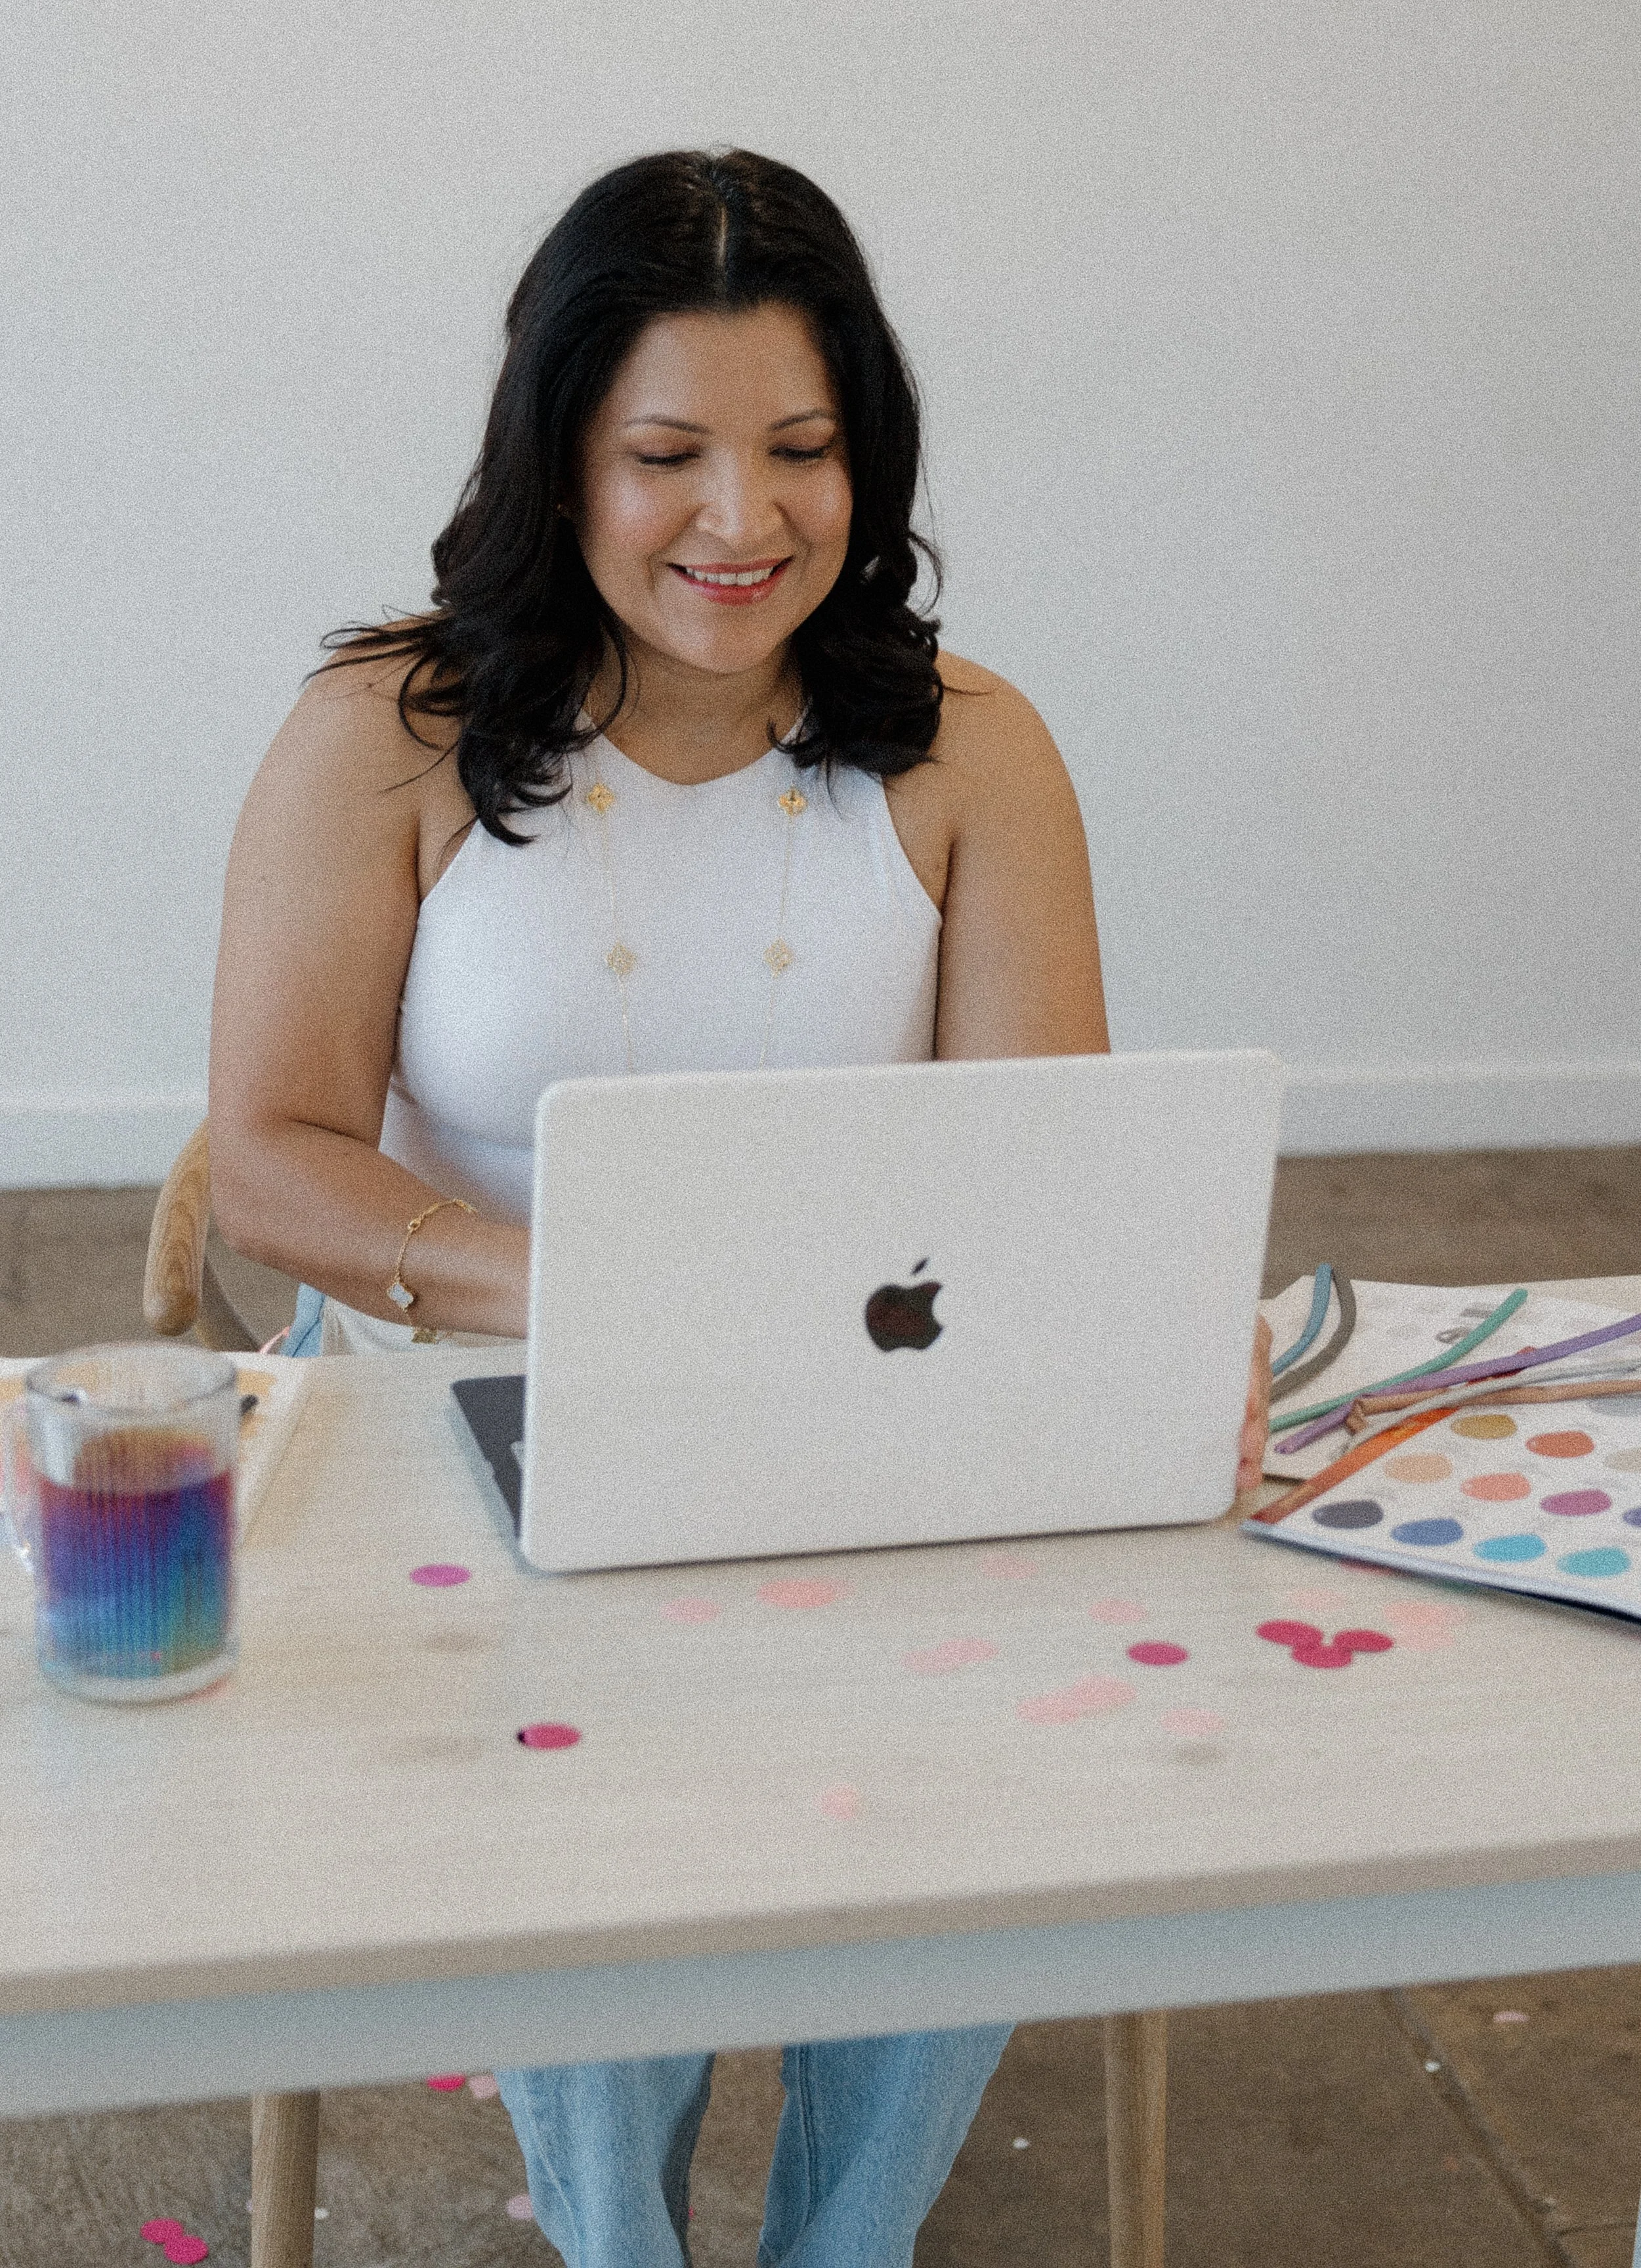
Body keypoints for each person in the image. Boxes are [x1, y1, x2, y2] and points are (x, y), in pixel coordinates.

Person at [211, 147, 1271, 2268]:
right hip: (471, 1393)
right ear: (555, 459)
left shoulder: (972, 749)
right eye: (665, 454)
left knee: (994, 1745)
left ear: (865, 459)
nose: (741, 519)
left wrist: (1145, 1336)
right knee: (579, 1774)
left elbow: (1036, 1177)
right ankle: (619, 2240)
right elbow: (264, 1159)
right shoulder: (384, 733)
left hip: (853, 1407)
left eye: (800, 451)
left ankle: (840, 2246)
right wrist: (578, 1282)